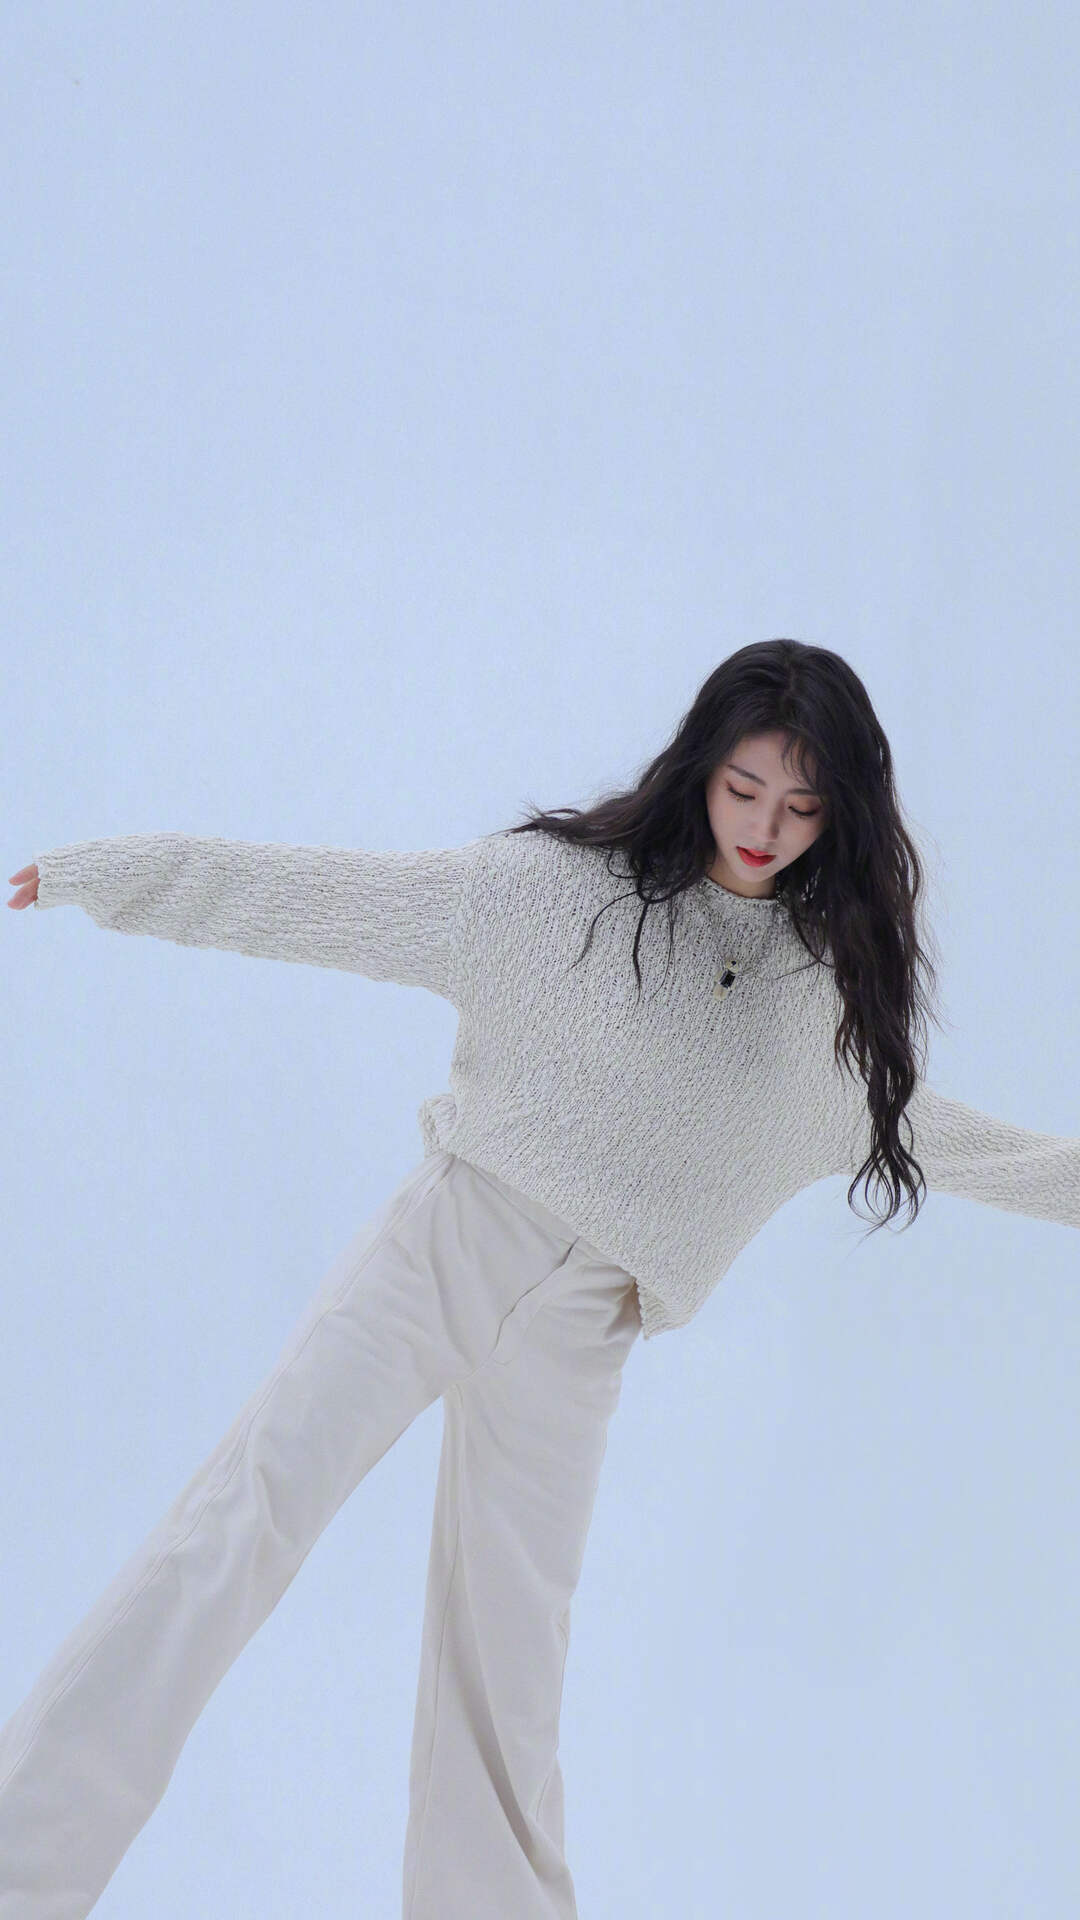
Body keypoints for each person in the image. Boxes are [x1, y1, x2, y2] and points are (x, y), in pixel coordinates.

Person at [2, 638, 1077, 1919]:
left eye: (800, 807)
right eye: (743, 789)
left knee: (508, 1674)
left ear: (839, 815)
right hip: (444, 1248)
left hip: (582, 1335)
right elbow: (315, 898)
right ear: (701, 767)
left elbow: (968, 1147)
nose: (763, 829)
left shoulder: (813, 1024)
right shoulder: (551, 898)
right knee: (238, 1531)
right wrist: (114, 876)